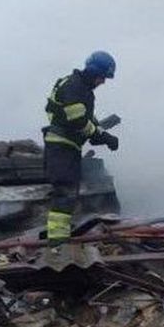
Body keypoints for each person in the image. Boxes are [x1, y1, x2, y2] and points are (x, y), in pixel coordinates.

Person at [42, 51, 120, 245]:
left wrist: (101, 135)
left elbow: (88, 121)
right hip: (61, 148)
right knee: (65, 193)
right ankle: (57, 244)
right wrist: (103, 136)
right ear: (94, 72)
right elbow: (78, 121)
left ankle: (60, 239)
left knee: (68, 193)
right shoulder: (75, 87)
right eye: (102, 77)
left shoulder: (80, 88)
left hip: (67, 147)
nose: (103, 82)